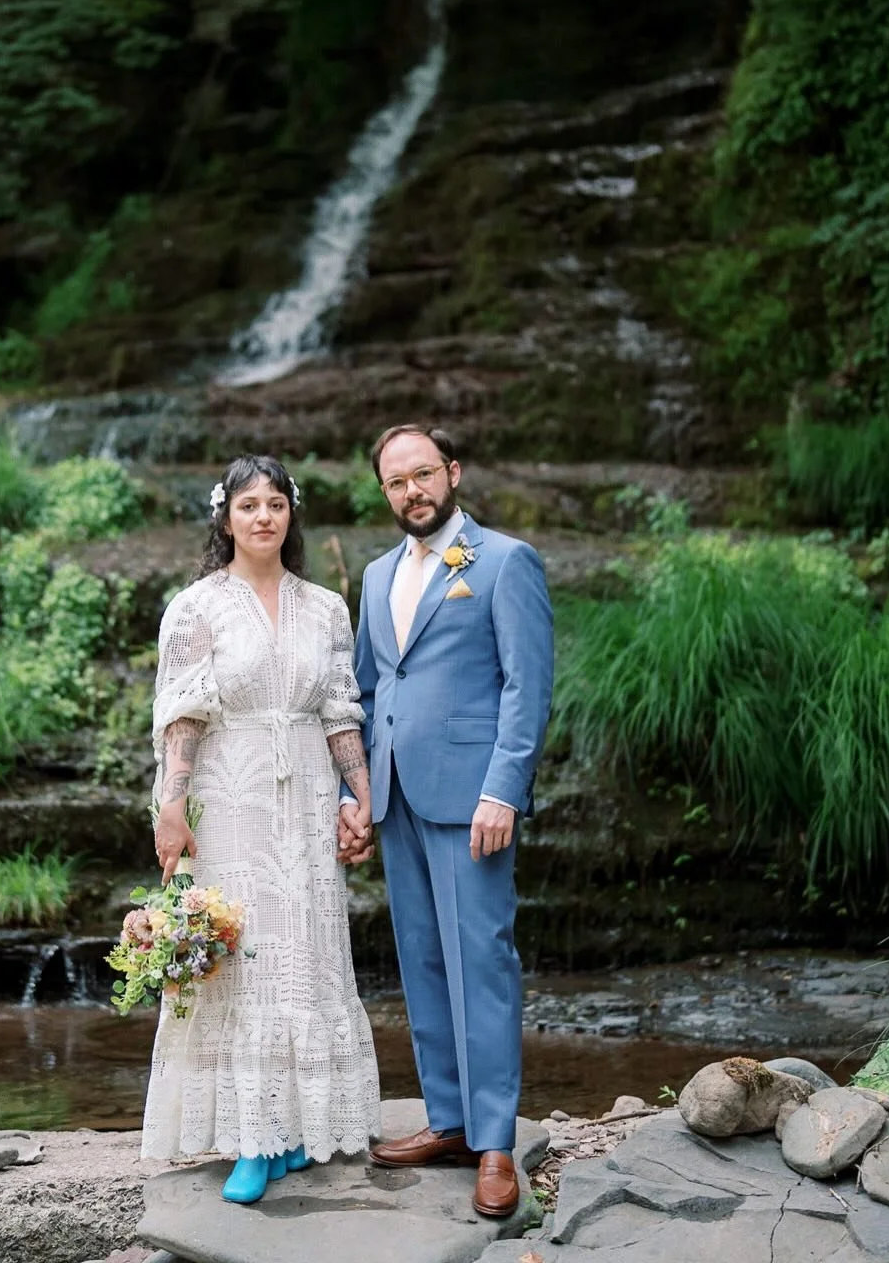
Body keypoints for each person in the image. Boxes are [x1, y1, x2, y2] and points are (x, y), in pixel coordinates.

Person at [139, 453, 381, 1204]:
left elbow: (341, 709)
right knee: (242, 954)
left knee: (303, 950)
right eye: (249, 506)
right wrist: (171, 803)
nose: (264, 517)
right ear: (226, 516)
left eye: (276, 503)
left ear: (291, 514)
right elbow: (182, 712)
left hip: (307, 795)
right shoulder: (197, 607)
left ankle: (298, 1129)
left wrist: (360, 797)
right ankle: (249, 1138)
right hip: (229, 789)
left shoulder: (326, 608)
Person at [339, 424, 553, 1219]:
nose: (411, 492)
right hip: (395, 797)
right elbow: (363, 694)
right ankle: (451, 1122)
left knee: (482, 963)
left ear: (452, 473)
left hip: (473, 804)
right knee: (422, 962)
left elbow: (525, 689)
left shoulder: (502, 561)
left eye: (422, 474)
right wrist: (352, 797)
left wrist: (504, 788)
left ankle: (496, 1142)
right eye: (396, 482)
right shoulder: (374, 574)